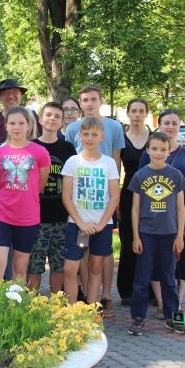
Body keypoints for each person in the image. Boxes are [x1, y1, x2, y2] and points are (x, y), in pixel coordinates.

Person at [64, 84, 124, 317]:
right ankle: (72, 311)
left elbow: (114, 193)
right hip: (77, 222)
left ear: (102, 137)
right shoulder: (73, 160)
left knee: (97, 265)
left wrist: (101, 223)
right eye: (86, 135)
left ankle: (93, 307)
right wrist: (80, 222)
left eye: (94, 135)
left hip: (102, 222)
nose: (90, 138)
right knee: (72, 266)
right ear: (79, 136)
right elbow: (67, 195)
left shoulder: (108, 161)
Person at [138, 109, 185, 318]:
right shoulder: (148, 153)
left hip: (182, 216)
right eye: (166, 122)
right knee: (156, 259)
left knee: (182, 257)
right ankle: (162, 302)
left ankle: (178, 302)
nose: (170, 127)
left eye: (175, 123)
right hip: (155, 218)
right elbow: (141, 186)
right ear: (159, 124)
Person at [127, 132, 185, 336]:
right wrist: (136, 236)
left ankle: (173, 317)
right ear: (147, 150)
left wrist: (179, 236)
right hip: (146, 234)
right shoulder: (140, 175)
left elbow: (180, 208)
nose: (158, 153)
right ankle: (138, 317)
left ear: (169, 151)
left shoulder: (175, 175)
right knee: (142, 278)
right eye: (154, 149)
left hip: (169, 234)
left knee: (169, 279)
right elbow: (135, 209)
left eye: (163, 149)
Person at [0, 107, 50, 282]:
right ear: (6, 126)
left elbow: (40, 184)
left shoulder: (40, 152)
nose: (17, 127)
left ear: (29, 125)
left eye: (21, 123)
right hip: (2, 215)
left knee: (20, 269)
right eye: (12, 123)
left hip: (28, 216)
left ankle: (16, 299)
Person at [27, 102, 76, 294]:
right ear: (40, 119)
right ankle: (32, 303)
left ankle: (55, 303)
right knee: (35, 265)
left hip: (61, 216)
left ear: (62, 122)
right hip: (36, 216)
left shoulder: (68, 148)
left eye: (57, 116)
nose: (52, 119)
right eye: (48, 115)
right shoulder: (31, 147)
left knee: (58, 264)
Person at [117, 99, 150, 305]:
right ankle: (127, 290)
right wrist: (116, 202)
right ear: (128, 114)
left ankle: (151, 290)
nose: (137, 115)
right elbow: (116, 171)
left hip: (152, 195)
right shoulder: (121, 140)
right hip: (128, 194)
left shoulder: (154, 138)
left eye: (141, 111)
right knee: (128, 241)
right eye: (134, 111)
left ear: (146, 114)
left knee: (150, 241)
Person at [0, 79, 42, 148]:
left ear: (21, 95)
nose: (11, 96)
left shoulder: (33, 117)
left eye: (15, 92)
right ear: (0, 97)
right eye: (6, 93)